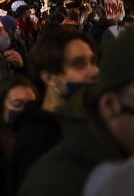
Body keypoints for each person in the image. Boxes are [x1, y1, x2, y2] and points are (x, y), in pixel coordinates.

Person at [19, 29, 134, 196]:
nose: (94, 71)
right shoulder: (37, 141)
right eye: (78, 64)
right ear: (49, 77)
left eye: (93, 62)